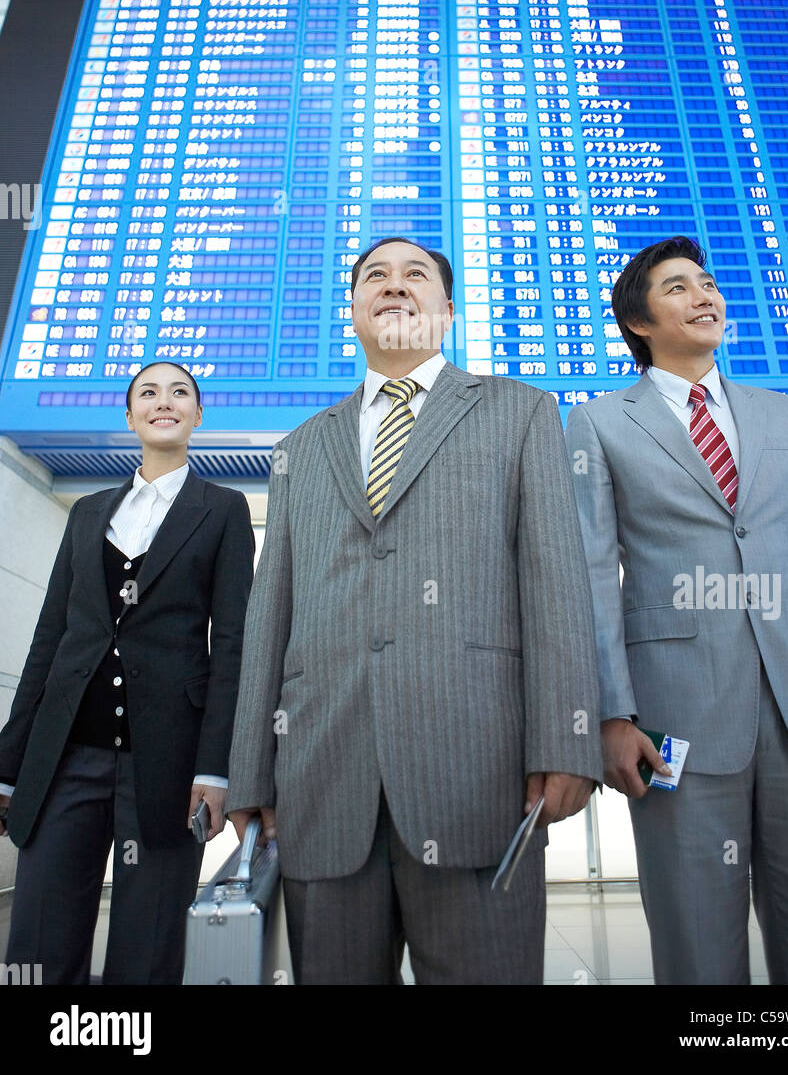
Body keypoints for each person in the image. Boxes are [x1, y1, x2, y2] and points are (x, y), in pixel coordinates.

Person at [227, 236, 602, 985]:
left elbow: (556, 582)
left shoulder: (521, 413)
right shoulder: (300, 447)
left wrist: (565, 743)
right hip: (321, 784)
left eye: (415, 275)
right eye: (375, 277)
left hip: (477, 778)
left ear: (449, 310)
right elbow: (269, 614)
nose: (394, 286)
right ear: (354, 312)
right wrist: (249, 776)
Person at [566, 236, 788, 985]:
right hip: (676, 723)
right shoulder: (600, 424)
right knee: (698, 944)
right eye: (678, 288)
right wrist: (611, 715)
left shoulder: (784, 415)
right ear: (638, 320)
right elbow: (594, 575)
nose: (705, 296)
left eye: (707, 283)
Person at [0, 362, 255, 985]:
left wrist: (215, 767)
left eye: (179, 393)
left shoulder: (222, 511)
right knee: (37, 940)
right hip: (66, 759)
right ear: (129, 416)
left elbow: (234, 647)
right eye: (148, 393)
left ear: (197, 416)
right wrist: (8, 766)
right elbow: (50, 640)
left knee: (148, 948)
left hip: (166, 765)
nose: (163, 402)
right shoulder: (87, 513)